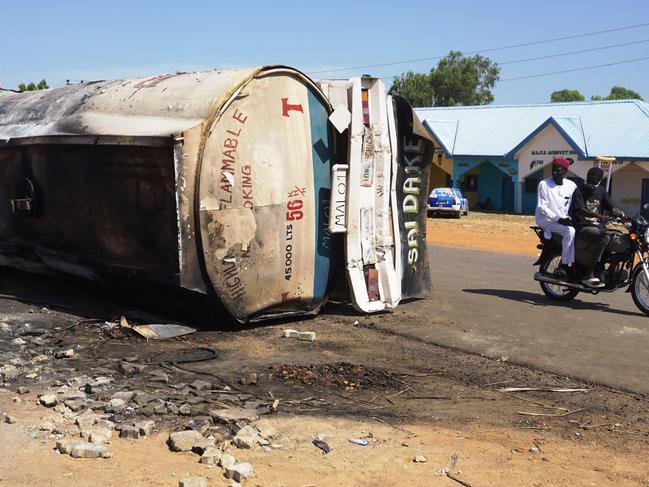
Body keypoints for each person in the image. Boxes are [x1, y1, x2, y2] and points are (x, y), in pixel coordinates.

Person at [570, 167, 625, 287]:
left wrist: (620, 213)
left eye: (595, 180)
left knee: (618, 238)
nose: (592, 182)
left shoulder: (601, 191)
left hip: (598, 226)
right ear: (587, 177)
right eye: (590, 179)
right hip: (582, 226)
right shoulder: (578, 191)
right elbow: (581, 210)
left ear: (599, 180)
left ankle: (611, 269)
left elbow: (611, 206)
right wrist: (599, 216)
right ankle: (590, 273)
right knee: (604, 237)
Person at [535, 157, 577, 278]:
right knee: (570, 231)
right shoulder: (544, 184)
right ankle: (565, 265)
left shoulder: (571, 185)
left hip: (563, 219)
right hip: (546, 220)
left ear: (565, 171)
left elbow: (578, 201)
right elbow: (542, 207)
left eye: (558, 170)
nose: (554, 172)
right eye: (553, 169)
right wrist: (559, 219)